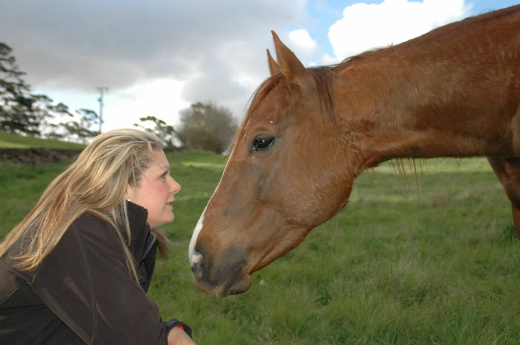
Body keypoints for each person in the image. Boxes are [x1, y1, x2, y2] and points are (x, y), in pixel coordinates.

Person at [0, 129, 195, 345]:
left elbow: (114, 323)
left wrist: (169, 331)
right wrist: (167, 334)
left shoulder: (104, 231)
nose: (176, 185)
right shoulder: (80, 237)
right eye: (163, 176)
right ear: (125, 186)